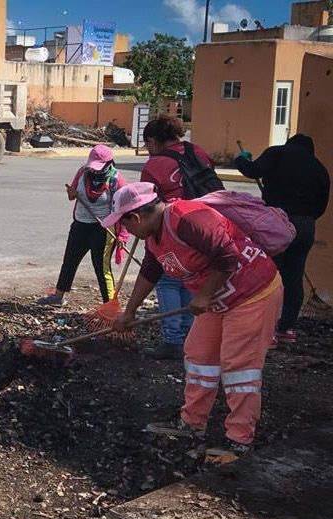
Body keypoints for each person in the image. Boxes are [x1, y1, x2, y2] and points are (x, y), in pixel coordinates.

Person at [108, 183, 282, 460]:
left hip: (252, 293)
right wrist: (129, 312)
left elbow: (228, 256)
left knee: (239, 367)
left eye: (124, 224)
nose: (126, 232)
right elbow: (150, 272)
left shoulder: (188, 219)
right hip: (217, 299)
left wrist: (203, 295)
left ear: (136, 218)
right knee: (199, 356)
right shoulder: (154, 237)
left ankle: (239, 440)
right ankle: (192, 423)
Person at [235, 134, 330, 343]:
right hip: (305, 225)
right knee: (294, 276)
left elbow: (252, 171)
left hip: (276, 222)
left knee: (268, 274)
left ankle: (265, 328)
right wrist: (304, 219)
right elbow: (322, 206)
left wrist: (241, 159)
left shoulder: (277, 153)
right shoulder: (319, 168)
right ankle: (285, 328)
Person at [139, 114, 218, 360]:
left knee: (167, 281)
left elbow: (147, 204)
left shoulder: (155, 164)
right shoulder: (198, 152)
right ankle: (186, 336)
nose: (147, 149)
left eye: (147, 143)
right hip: (205, 222)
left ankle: (173, 340)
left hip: (174, 227)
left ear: (153, 140)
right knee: (189, 277)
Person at [38, 145, 127, 306]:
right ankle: (58, 297)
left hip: (103, 228)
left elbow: (124, 210)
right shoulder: (82, 173)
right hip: (80, 223)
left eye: (98, 167)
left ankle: (110, 306)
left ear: (108, 164)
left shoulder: (116, 180)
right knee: (70, 261)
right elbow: (72, 194)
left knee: (101, 267)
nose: (95, 171)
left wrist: (122, 236)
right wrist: (71, 194)